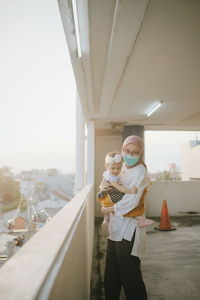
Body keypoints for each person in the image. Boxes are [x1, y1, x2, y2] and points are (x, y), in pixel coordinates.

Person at [101, 135, 150, 300]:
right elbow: (110, 189)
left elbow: (132, 201)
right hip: (115, 228)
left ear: (141, 153)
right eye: (127, 151)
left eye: (135, 152)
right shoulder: (121, 167)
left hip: (129, 230)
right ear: (122, 150)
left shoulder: (141, 173)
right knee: (112, 273)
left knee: (130, 275)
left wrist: (108, 209)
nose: (130, 155)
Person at [97, 151, 153, 236]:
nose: (116, 171)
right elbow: (119, 188)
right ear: (106, 166)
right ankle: (139, 220)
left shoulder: (108, 175)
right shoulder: (110, 178)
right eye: (113, 168)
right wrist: (130, 191)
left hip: (106, 199)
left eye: (118, 168)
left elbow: (105, 186)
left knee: (108, 212)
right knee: (130, 201)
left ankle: (106, 222)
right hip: (112, 198)